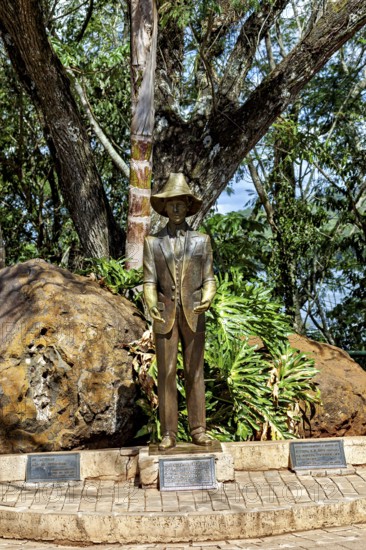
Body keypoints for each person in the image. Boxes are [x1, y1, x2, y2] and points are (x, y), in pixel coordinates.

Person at [143, 173, 216, 451]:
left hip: (195, 313)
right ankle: (169, 433)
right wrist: (151, 304)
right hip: (165, 314)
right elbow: (149, 282)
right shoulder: (153, 243)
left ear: (188, 206)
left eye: (180, 205)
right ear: (164, 207)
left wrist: (208, 297)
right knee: (167, 373)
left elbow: (209, 278)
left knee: (195, 371)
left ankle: (199, 430)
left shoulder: (202, 241)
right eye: (170, 204)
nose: (175, 209)